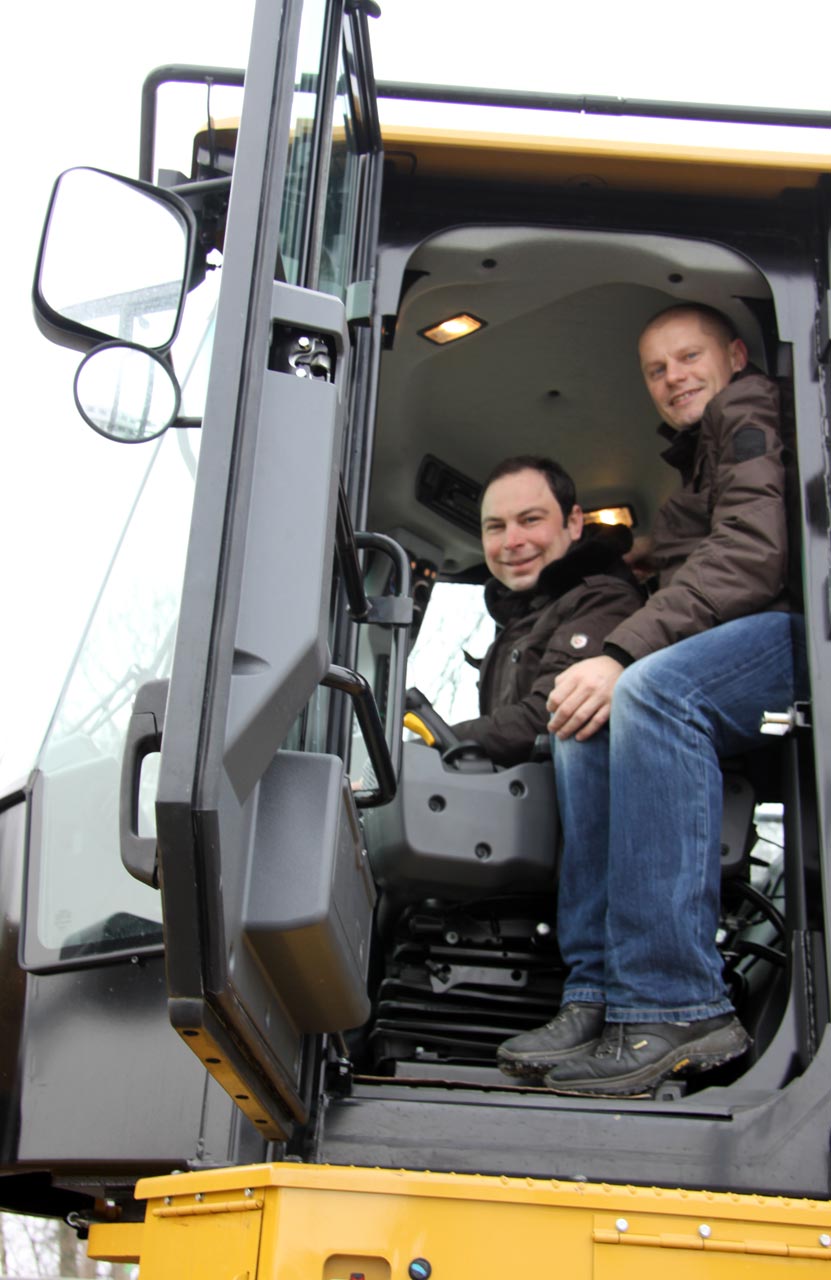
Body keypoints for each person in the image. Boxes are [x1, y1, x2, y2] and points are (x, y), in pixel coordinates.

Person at [497, 303, 805, 1096]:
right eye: (656, 369)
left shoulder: (747, 409)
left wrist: (619, 652)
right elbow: (707, 551)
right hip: (740, 634)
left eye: (687, 356)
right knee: (584, 724)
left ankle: (677, 1004)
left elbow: (752, 555)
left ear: (734, 356)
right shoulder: (699, 457)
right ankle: (598, 993)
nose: (673, 377)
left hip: (796, 637)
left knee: (650, 691)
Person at [449, 456, 644, 767]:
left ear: (574, 522)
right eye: (496, 527)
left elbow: (545, 718)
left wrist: (432, 742)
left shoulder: (604, 600)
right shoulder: (520, 618)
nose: (512, 541)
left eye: (530, 520)